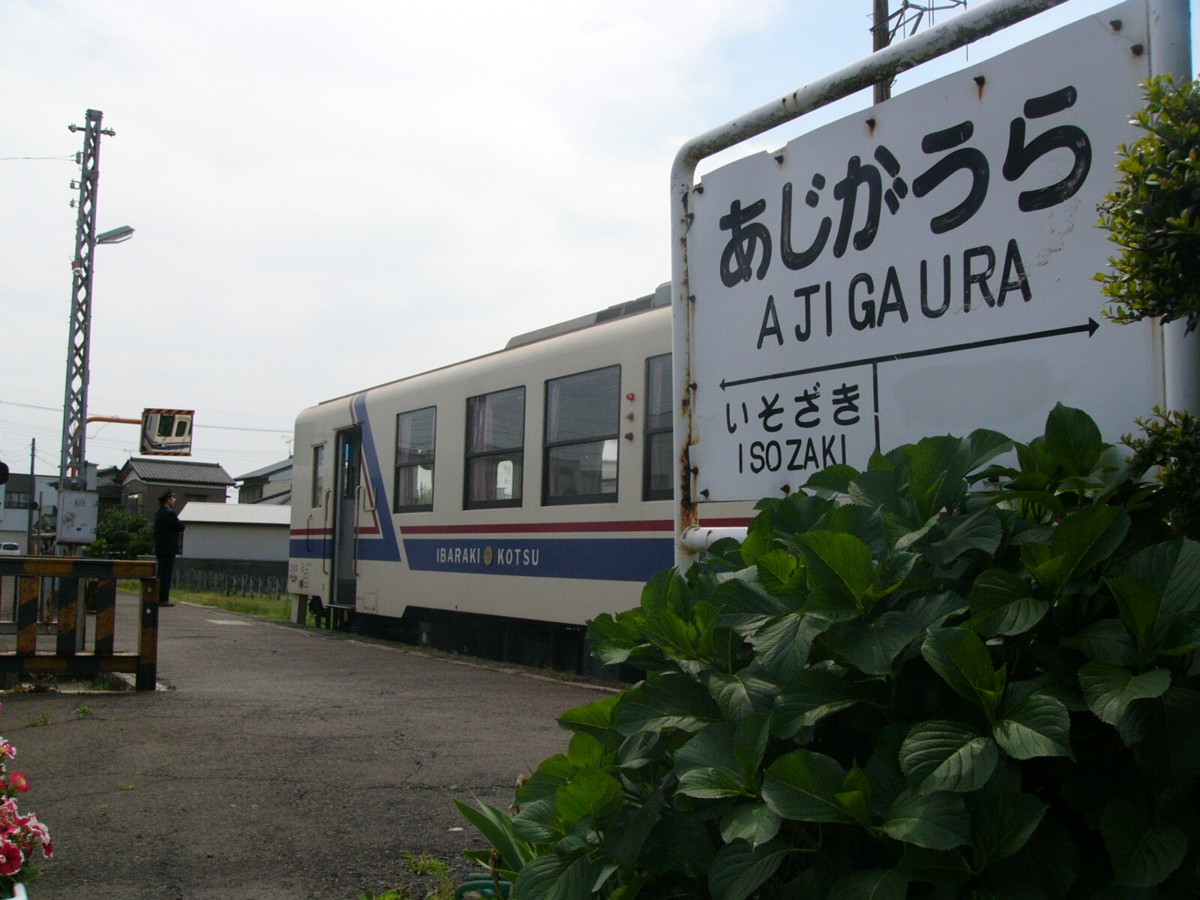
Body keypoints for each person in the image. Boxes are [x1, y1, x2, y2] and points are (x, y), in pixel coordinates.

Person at [153, 490, 185, 607]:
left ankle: (158, 597)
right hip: (169, 549)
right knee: (166, 575)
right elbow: (181, 527)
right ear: (168, 499)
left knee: (161, 574)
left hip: (160, 548)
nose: (174, 501)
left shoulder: (159, 513)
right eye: (173, 499)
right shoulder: (169, 514)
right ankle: (163, 599)